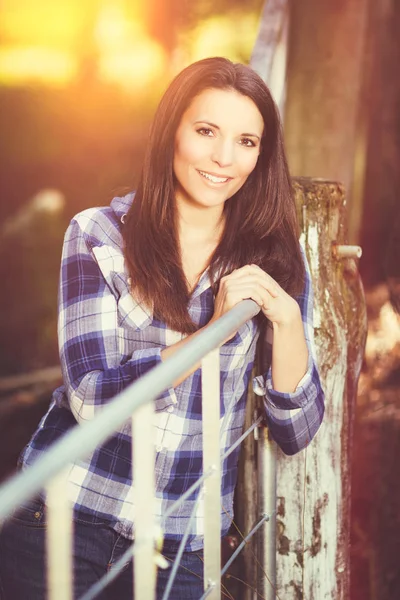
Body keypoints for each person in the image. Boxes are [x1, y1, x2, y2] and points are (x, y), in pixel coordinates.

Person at [0, 56, 325, 599]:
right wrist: (217, 328)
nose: (224, 158)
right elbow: (93, 401)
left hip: (183, 542)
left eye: (247, 141)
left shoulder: (274, 257)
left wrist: (288, 321)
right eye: (205, 131)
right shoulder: (99, 236)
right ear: (170, 131)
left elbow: (296, 432)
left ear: (262, 155)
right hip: (65, 520)